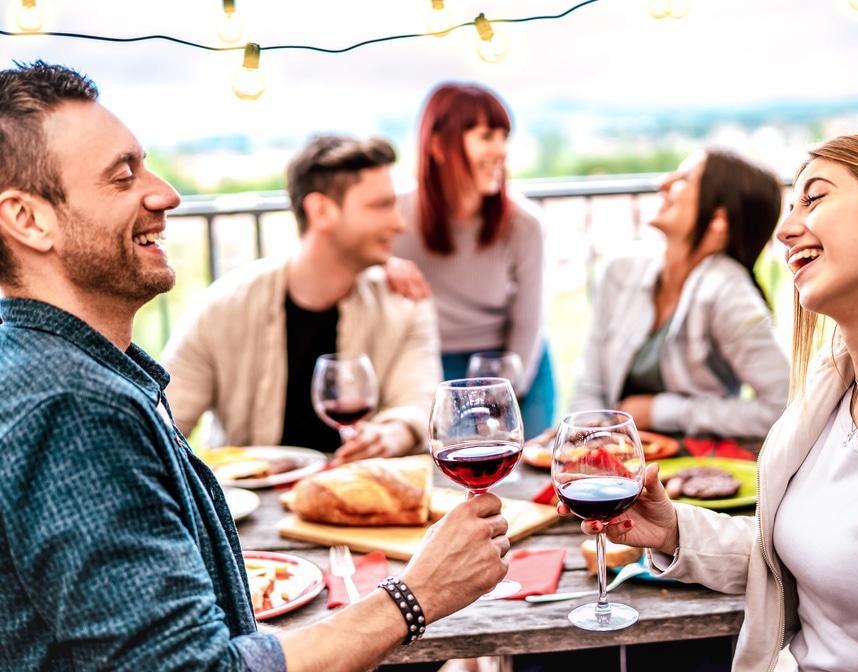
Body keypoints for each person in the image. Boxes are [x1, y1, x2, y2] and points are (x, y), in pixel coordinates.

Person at [0, 61, 510, 671]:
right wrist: (416, 594)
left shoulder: (69, 374)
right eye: (121, 176)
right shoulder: (73, 409)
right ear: (27, 219)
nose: (166, 193)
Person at [583, 131, 858, 671]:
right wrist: (674, 531)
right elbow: (801, 559)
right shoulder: (834, 394)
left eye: (815, 198)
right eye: (789, 206)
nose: (784, 231)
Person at [161, 133, 443, 464]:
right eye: (381, 205)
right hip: (249, 506)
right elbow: (162, 425)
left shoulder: (406, 300)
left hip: (358, 499)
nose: (399, 223)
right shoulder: (221, 308)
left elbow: (419, 403)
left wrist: (392, 434)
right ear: (321, 210)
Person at [571, 148, 790, 443]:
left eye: (686, 178)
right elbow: (591, 381)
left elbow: (785, 407)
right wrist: (588, 440)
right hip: (615, 462)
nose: (663, 182)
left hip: (694, 467)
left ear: (718, 219)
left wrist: (664, 411)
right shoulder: (620, 268)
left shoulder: (729, 294)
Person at [388, 82, 556, 439]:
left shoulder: (524, 224)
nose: (501, 151)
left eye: (503, 137)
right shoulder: (396, 214)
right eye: (486, 136)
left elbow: (529, 325)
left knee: (524, 479)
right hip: (429, 364)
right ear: (436, 145)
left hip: (511, 365)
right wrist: (380, 265)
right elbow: (350, 260)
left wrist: (499, 397)